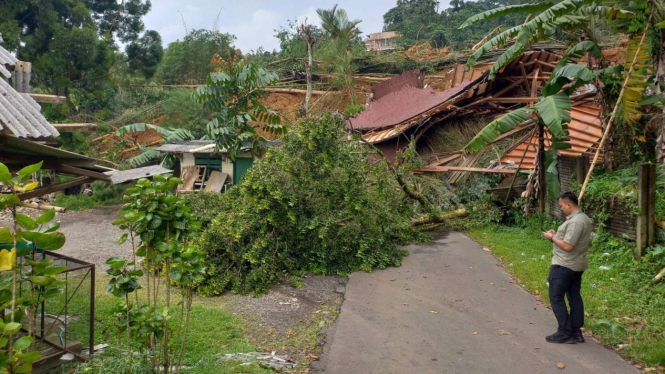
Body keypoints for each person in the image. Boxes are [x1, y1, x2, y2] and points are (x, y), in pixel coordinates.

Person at [542, 191, 592, 344]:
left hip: (564, 265)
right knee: (573, 296)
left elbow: (568, 246)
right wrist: (557, 235)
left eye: (562, 205)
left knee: (556, 296)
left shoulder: (576, 221)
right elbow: (570, 239)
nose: (561, 208)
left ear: (569, 205)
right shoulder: (583, 219)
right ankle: (575, 331)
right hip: (576, 264)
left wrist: (551, 238)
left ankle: (565, 332)